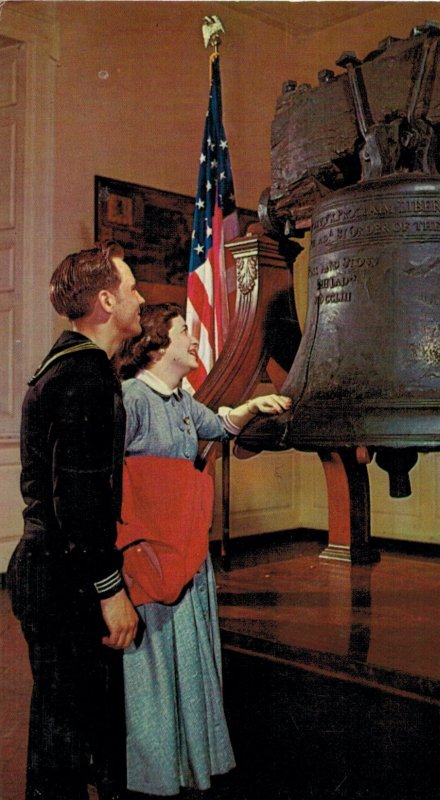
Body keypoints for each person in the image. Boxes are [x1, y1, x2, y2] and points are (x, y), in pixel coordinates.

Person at [114, 303, 292, 797]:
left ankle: (189, 762)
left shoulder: (179, 399)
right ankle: (153, 775)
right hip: (150, 564)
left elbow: (220, 425)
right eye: (183, 332)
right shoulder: (132, 398)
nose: (194, 339)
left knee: (188, 662)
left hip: (186, 557)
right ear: (156, 345)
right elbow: (116, 489)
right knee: (152, 670)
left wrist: (255, 407)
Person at [6, 241, 144, 800]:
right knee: (68, 743)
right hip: (66, 579)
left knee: (61, 733)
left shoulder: (63, 367)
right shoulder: (87, 377)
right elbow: (81, 505)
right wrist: (110, 591)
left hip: (46, 569)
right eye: (132, 289)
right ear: (107, 301)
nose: (140, 298)